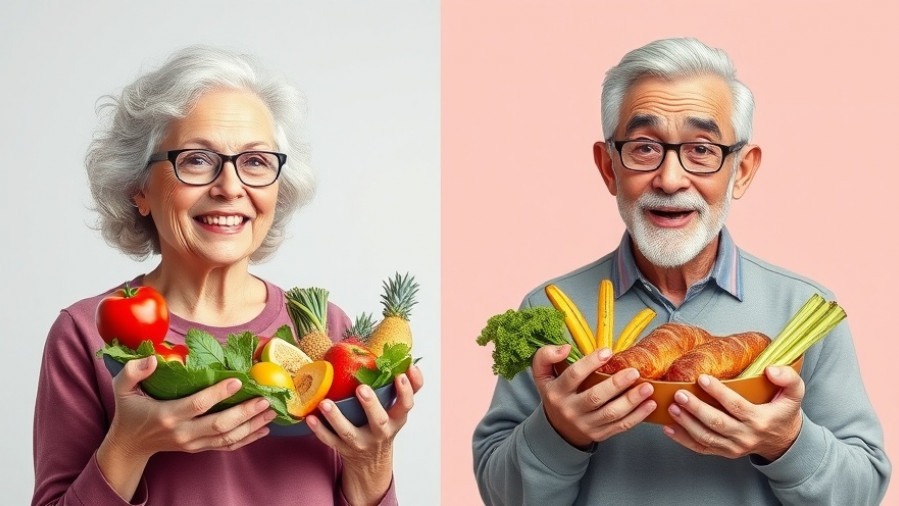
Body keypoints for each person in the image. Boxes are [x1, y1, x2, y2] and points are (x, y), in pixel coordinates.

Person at [472, 38, 890, 505]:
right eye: (644, 147)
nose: (670, 179)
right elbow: (499, 495)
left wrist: (787, 443)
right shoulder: (549, 314)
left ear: (743, 170)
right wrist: (558, 433)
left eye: (701, 149)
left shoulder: (806, 313)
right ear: (608, 167)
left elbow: (864, 491)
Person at [32, 45, 423, 506]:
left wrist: (372, 462)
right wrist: (130, 445)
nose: (231, 187)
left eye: (255, 162)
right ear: (139, 188)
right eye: (196, 159)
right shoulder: (87, 335)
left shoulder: (327, 335)